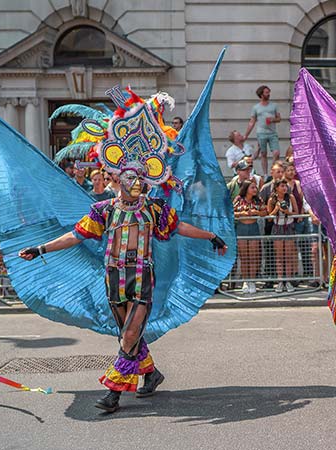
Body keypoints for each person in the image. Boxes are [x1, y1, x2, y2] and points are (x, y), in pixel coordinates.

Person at [18, 161, 228, 413]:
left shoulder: (154, 209)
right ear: (119, 180)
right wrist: (40, 248)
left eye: (140, 178)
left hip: (141, 275)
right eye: (131, 178)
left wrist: (211, 236)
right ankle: (151, 374)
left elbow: (179, 227)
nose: (136, 183)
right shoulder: (103, 210)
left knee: (129, 334)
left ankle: (113, 393)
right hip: (114, 276)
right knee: (128, 334)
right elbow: (75, 235)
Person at [233, 180, 266, 294]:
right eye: (252, 187)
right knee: (244, 256)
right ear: (246, 188)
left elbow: (265, 212)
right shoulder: (239, 199)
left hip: (253, 227)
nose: (255, 190)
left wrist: (256, 212)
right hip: (242, 227)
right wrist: (242, 214)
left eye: (255, 188)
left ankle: (252, 280)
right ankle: (245, 281)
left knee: (253, 256)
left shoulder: (258, 200)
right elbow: (231, 212)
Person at [267, 179, 298, 293]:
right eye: (281, 186)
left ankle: (288, 281)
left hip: (289, 226)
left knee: (288, 255)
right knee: (279, 256)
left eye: (285, 186)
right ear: (276, 188)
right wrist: (276, 209)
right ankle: (280, 281)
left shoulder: (290, 197)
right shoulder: (272, 199)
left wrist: (287, 212)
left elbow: (296, 212)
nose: (284, 188)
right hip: (277, 227)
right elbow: (269, 217)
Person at [245, 85, 281, 175]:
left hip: (272, 133)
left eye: (269, 92)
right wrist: (246, 135)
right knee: (263, 154)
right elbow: (252, 121)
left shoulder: (274, 106)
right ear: (261, 94)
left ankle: (273, 171)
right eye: (266, 92)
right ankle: (265, 174)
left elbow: (279, 118)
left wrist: (273, 119)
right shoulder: (256, 107)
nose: (268, 94)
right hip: (261, 133)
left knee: (276, 153)